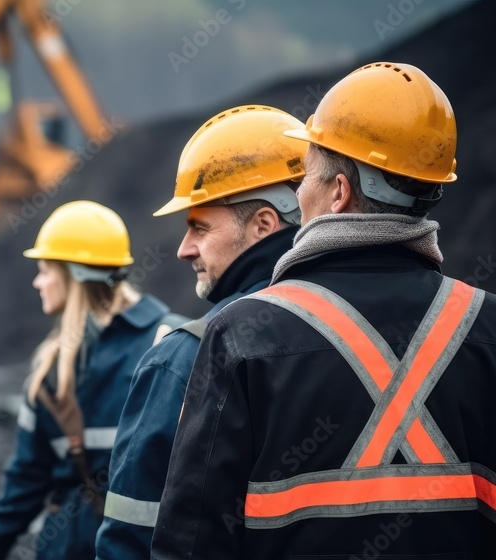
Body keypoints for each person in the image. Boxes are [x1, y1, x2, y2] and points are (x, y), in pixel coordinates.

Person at [152, 62, 496, 559]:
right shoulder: (485, 326)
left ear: (338, 192)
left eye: (307, 175)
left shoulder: (243, 334)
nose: (299, 194)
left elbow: (191, 540)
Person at [95, 105, 307, 560]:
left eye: (199, 227)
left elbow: (133, 536)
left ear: (264, 225)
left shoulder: (185, 357)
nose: (183, 249)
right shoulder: (368, 334)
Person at [0, 200, 188, 560]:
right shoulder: (175, 339)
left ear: (74, 274)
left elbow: (25, 481)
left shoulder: (53, 368)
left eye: (44, 269)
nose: (38, 281)